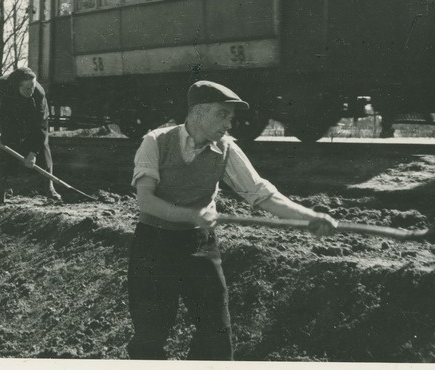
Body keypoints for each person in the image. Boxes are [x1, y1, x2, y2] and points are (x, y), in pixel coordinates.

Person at [127, 80, 338, 360]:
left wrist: (311, 217)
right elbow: (146, 202)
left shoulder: (226, 149)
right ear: (198, 113)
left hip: (198, 244)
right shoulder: (155, 141)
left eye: (231, 117)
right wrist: (191, 214)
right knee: (150, 333)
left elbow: (262, 194)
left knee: (216, 330)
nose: (229, 124)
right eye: (222, 115)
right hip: (154, 243)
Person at [0, 67, 63, 205]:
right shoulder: (2, 85)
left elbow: (41, 126)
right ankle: (0, 194)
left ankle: (50, 189)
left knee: (43, 147)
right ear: (16, 86)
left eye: (33, 87)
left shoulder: (38, 94)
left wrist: (33, 153)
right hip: (11, 116)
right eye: (27, 89)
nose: (31, 91)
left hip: (32, 118)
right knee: (6, 148)